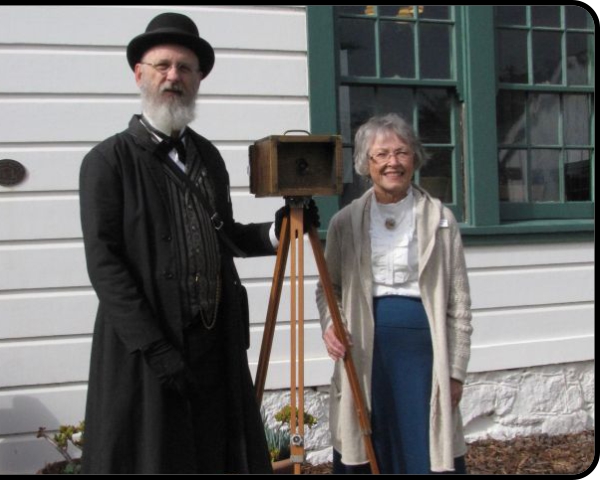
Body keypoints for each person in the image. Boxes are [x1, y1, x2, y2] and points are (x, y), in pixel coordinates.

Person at [79, 12, 318, 474]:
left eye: (185, 68)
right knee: (155, 459)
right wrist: (155, 348)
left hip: (214, 343)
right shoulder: (107, 162)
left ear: (198, 78)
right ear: (139, 74)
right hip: (146, 350)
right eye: (163, 66)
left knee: (212, 454)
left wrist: (282, 228)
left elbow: (222, 233)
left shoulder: (207, 155)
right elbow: (104, 264)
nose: (174, 77)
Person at [316, 114, 472, 474]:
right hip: (365, 352)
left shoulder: (441, 220)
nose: (392, 162)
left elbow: (459, 304)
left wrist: (456, 372)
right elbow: (329, 288)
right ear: (365, 164)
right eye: (381, 154)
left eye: (401, 152)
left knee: (424, 444)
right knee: (369, 441)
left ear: (414, 159)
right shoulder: (345, 222)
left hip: (424, 356)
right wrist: (331, 323)